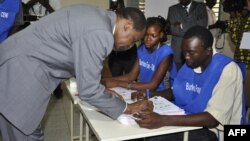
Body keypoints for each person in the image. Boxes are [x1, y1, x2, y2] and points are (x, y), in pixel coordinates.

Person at [0, 5, 153, 141]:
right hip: (19, 73)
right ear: (127, 25)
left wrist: (102, 90)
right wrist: (127, 107)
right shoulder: (101, 33)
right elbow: (89, 91)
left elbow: (78, 58)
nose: (129, 45)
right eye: (133, 40)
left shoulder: (98, 17)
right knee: (26, 134)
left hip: (16, 65)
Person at [133, 26, 246, 141]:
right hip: (190, 119)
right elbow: (176, 90)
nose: (186, 57)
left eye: (191, 52)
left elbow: (213, 119)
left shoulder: (227, 69)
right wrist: (149, 94)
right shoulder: (191, 63)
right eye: (184, 52)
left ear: (208, 51)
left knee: (157, 137)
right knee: (146, 132)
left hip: (218, 131)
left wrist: (163, 120)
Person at [102, 16, 177, 91]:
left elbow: (153, 85)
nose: (148, 39)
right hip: (143, 90)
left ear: (161, 35)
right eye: (146, 35)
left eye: (153, 36)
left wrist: (117, 83)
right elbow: (131, 76)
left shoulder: (166, 52)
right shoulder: (142, 48)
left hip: (161, 93)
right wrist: (109, 80)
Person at [223, 0, 250, 108]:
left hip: (247, 64)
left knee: (246, 99)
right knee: (241, 96)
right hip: (242, 61)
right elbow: (238, 41)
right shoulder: (244, 18)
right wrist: (234, 19)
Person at [167, 0, 208, 70]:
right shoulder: (172, 9)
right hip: (178, 52)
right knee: (177, 78)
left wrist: (182, 26)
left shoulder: (200, 6)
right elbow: (172, 30)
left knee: (194, 78)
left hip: (196, 51)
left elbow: (203, 23)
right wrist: (195, 29)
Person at [108, 0, 138, 77]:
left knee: (130, 78)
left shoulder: (129, 19)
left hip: (129, 55)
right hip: (114, 56)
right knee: (115, 78)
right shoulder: (108, 18)